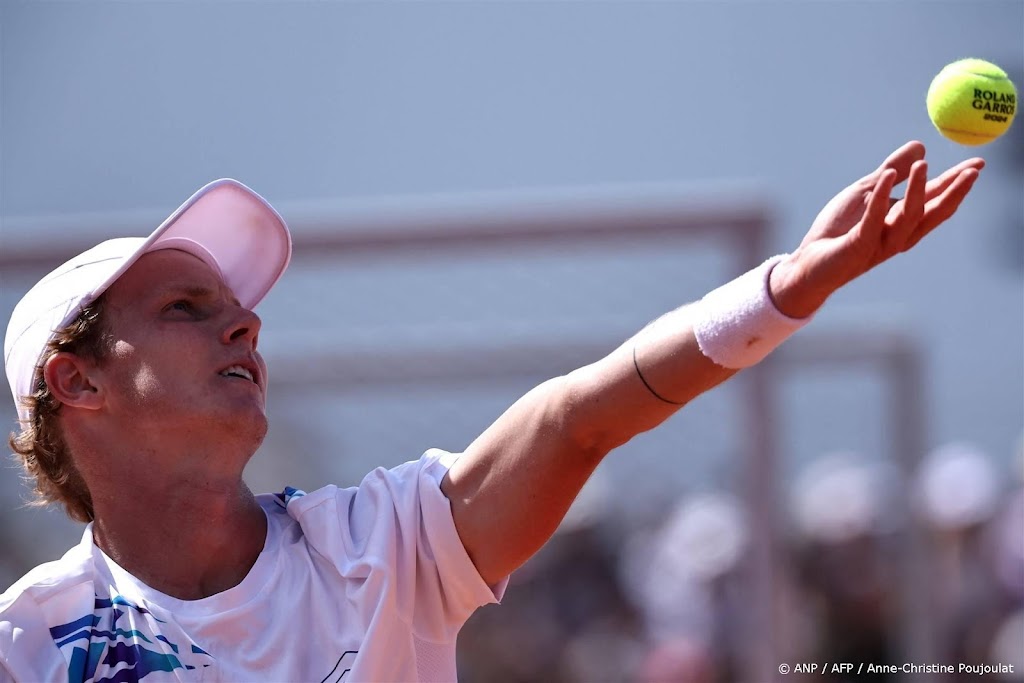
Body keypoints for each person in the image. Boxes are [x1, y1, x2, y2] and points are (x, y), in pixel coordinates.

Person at [0, 141, 981, 682]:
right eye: (187, 309)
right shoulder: (26, 642)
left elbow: (571, 421)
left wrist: (784, 289)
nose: (246, 326)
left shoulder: (377, 544)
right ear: (77, 381)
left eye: (239, 308)